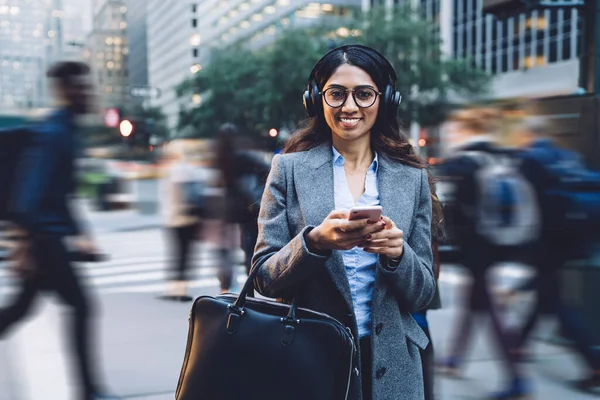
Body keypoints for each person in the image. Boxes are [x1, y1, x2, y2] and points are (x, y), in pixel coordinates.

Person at [251, 45, 440, 400]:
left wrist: (399, 255)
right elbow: (263, 278)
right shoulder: (288, 171)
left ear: (385, 100)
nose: (350, 107)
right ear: (316, 100)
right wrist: (314, 243)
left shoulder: (412, 178)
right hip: (309, 361)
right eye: (336, 94)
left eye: (364, 94)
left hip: (394, 367)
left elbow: (424, 293)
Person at [0, 62, 120, 400]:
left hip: (46, 236)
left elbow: (61, 194)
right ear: (66, 90)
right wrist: (23, 248)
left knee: (20, 310)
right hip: (43, 240)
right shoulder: (53, 132)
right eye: (82, 87)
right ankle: (88, 391)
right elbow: (28, 194)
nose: (89, 93)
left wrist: (82, 234)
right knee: (82, 307)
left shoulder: (67, 130)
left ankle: (88, 390)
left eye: (88, 86)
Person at [437, 108, 531, 399]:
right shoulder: (500, 155)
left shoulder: (464, 161)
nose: (450, 133)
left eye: (454, 128)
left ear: (464, 129)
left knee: (489, 308)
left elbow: (452, 212)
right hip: (498, 242)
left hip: (475, 247)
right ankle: (455, 358)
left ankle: (516, 377)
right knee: (475, 302)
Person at [508, 116, 600, 391]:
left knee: (557, 303)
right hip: (573, 239)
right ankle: (518, 347)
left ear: (528, 135)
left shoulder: (530, 160)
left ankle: (594, 363)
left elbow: (522, 202)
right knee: (546, 296)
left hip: (548, 240)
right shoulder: (567, 157)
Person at [215, 123, 270, 293]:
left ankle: (225, 286)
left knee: (226, 250)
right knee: (249, 249)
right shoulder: (245, 157)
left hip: (228, 209)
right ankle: (250, 290)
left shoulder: (220, 157)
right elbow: (268, 169)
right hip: (248, 207)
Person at [159, 141, 204, 301]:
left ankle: (177, 289)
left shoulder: (175, 171)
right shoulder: (192, 171)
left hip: (175, 219)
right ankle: (180, 289)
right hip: (188, 219)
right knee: (185, 254)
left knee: (177, 254)